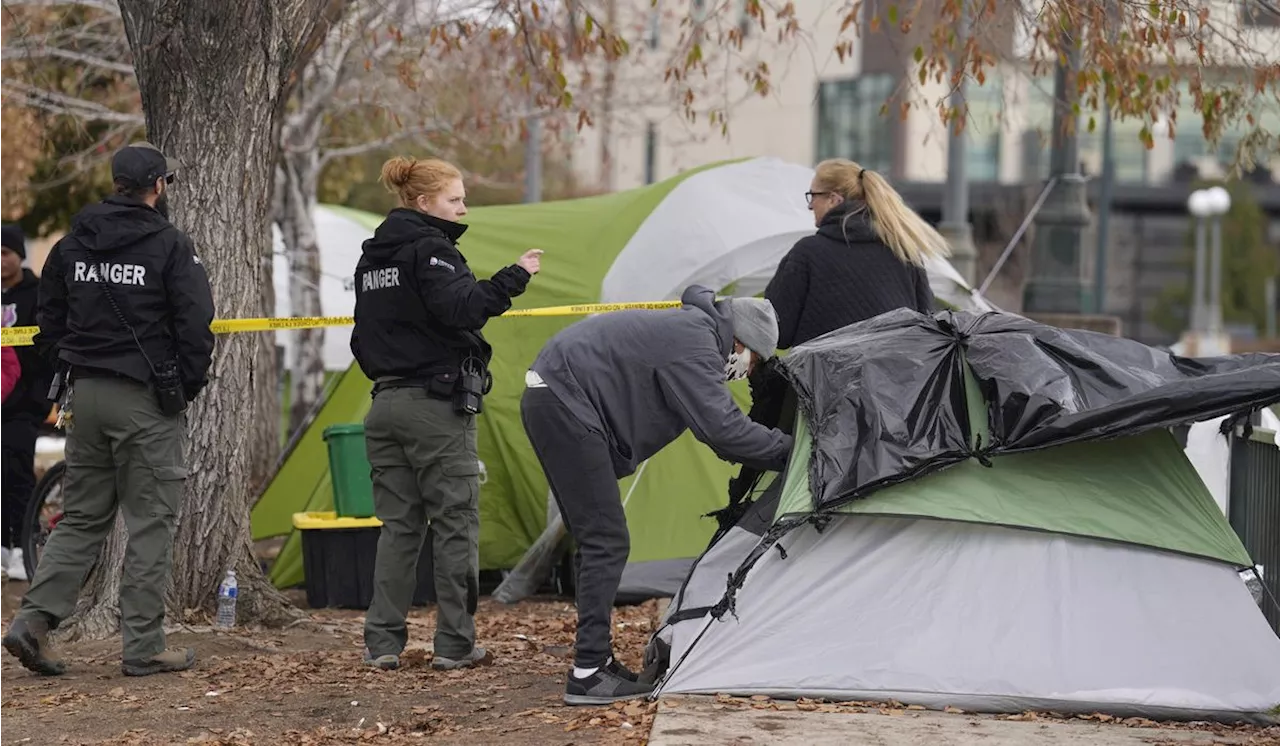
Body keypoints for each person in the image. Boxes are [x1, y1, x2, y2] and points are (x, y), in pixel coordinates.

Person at [520, 284, 793, 705]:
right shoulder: (696, 341)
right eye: (751, 361)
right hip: (566, 402)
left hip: (555, 395)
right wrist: (794, 453)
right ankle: (588, 674)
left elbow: (717, 434)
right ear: (740, 342)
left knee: (596, 537)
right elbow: (723, 431)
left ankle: (596, 663)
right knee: (606, 539)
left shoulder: (692, 329)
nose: (744, 371)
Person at [2, 141, 215, 677]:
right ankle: (143, 645)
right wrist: (180, 388)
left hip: (85, 396)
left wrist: (69, 364)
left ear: (116, 182)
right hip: (143, 399)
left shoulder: (73, 242)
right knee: (150, 521)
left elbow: (48, 319)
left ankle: (32, 620)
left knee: (81, 520)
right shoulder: (170, 245)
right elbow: (195, 325)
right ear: (159, 185)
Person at [351, 156, 542, 673]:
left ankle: (382, 644)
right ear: (423, 202)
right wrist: (514, 277)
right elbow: (463, 307)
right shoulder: (432, 250)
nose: (464, 208)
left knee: (398, 529)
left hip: (384, 405)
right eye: (455, 199)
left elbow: (360, 338)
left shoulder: (373, 259)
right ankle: (454, 644)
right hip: (434, 407)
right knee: (456, 525)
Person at [725, 158, 953, 508]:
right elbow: (926, 327)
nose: (810, 205)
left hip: (823, 412)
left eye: (812, 196)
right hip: (894, 414)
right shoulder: (905, 253)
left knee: (816, 503)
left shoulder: (809, 254)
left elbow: (773, 331)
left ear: (833, 199)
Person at [0, 223, 51, 581]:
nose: (0, 261)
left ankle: (23, 546)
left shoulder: (37, 294)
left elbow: (47, 348)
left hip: (23, 405)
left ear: (19, 254)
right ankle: (3, 545)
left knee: (18, 473)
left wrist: (37, 399)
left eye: (4, 253)